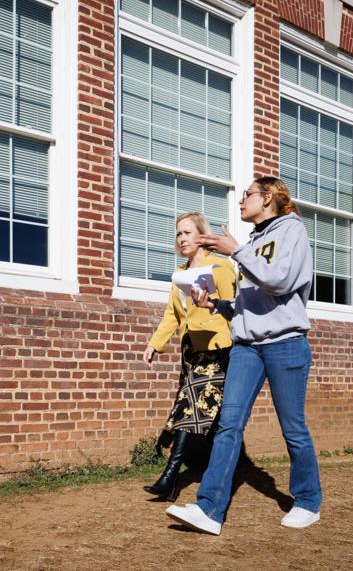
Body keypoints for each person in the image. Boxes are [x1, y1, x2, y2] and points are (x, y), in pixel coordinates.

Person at [165, 176, 322, 535]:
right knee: (228, 424)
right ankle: (209, 509)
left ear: (267, 198)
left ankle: (308, 501)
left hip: (285, 343)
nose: (240, 202)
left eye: (247, 195)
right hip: (248, 347)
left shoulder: (292, 232)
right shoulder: (253, 242)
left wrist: (235, 250)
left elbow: (280, 281)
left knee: (293, 427)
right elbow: (250, 303)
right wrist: (219, 305)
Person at [142, 211, 237, 501]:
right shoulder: (180, 273)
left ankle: (170, 477)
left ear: (201, 235)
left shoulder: (220, 267)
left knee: (193, 407)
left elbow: (234, 308)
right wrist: (154, 344)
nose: (182, 238)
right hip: (191, 351)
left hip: (216, 349)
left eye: (187, 232)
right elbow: (172, 315)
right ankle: (201, 473)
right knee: (196, 408)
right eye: (178, 233)